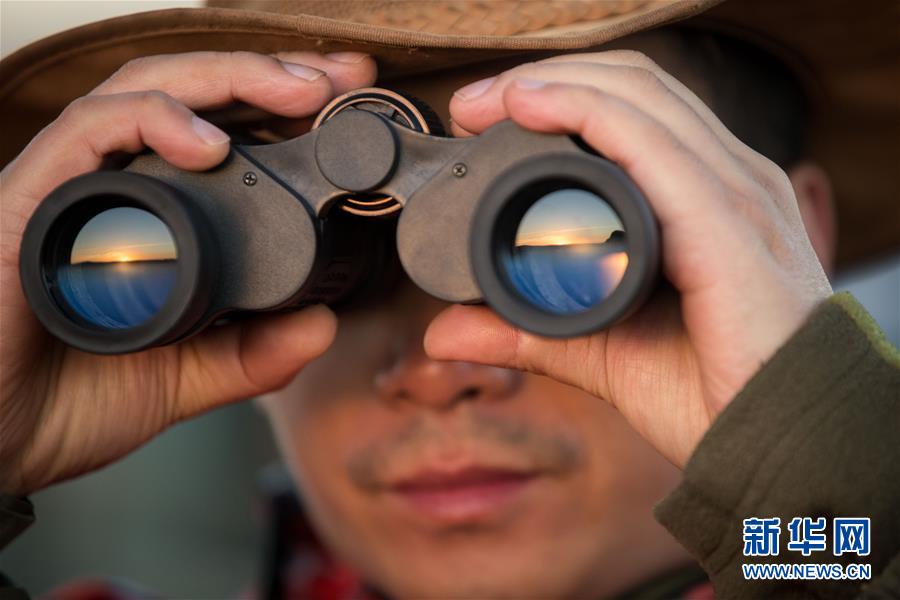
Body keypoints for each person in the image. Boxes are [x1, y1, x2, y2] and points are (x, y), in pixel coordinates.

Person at [1, 1, 898, 599]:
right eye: (342, 270)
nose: (436, 371)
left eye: (557, 246)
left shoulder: (836, 560)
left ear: (787, 239)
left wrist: (813, 482)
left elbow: (834, 553)